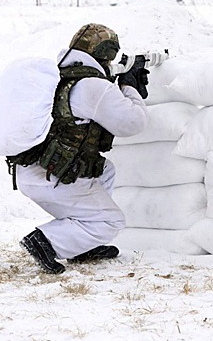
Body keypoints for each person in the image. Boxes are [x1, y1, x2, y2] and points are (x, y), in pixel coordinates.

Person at [14, 23, 149, 274]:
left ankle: (81, 244)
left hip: (37, 170)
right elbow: (134, 123)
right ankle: (47, 242)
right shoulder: (92, 86)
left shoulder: (59, 76)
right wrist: (129, 87)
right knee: (112, 220)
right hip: (56, 175)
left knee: (104, 170)